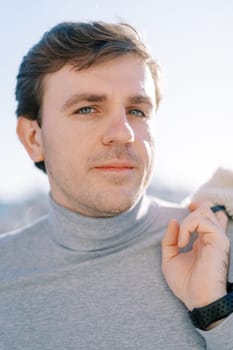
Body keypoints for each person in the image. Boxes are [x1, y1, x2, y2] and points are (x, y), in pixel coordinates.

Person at [0, 21, 232, 350]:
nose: (123, 133)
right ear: (34, 138)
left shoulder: (218, 245)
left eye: (137, 110)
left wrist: (216, 311)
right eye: (87, 109)